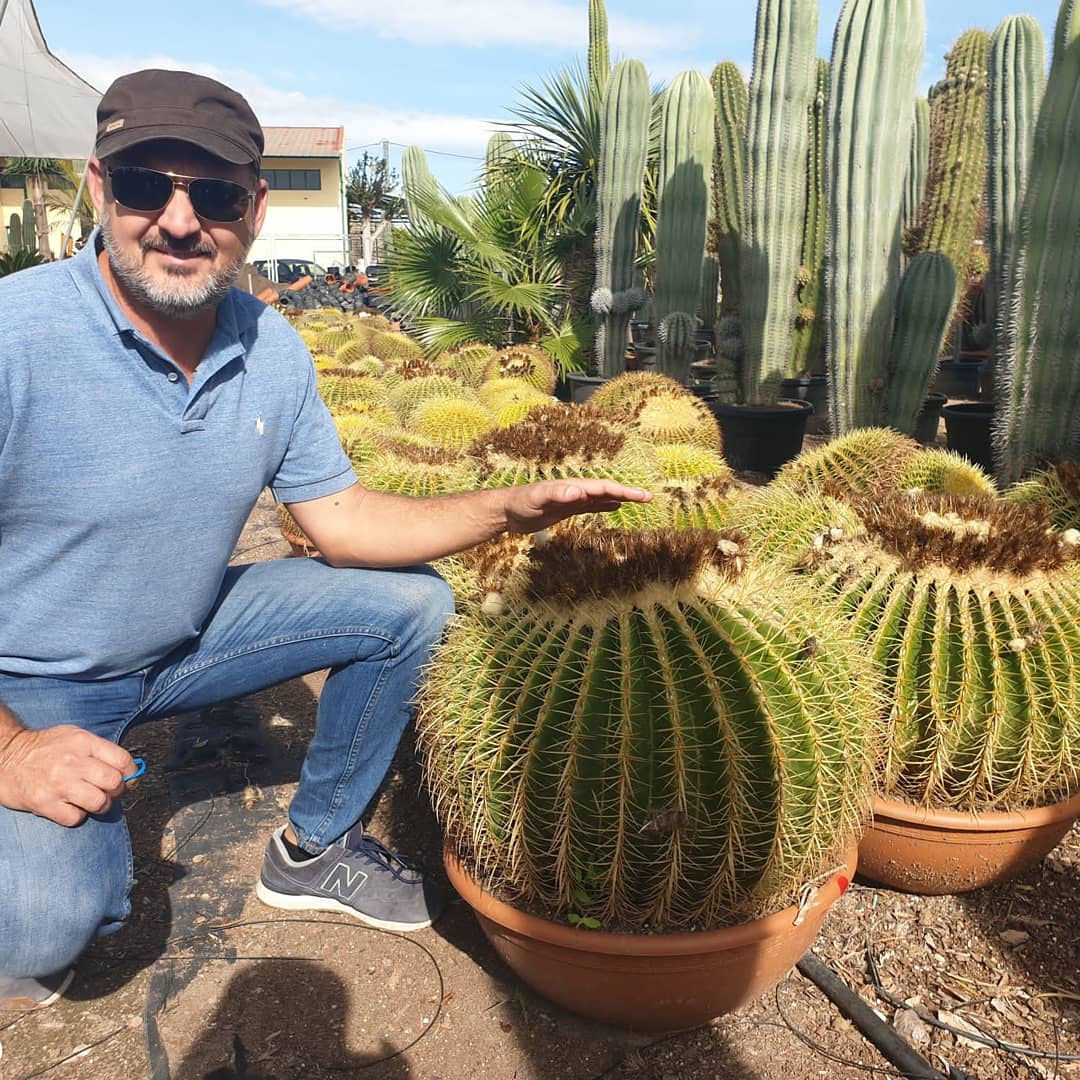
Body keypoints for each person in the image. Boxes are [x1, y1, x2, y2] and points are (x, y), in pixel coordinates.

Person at [0, 69, 650, 1009]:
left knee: (412, 601)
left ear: (256, 210)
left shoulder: (270, 346)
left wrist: (510, 506)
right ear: (99, 187)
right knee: (42, 933)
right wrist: (15, 754)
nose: (180, 222)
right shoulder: (16, 336)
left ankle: (314, 848)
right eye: (146, 186)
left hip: (184, 637)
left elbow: (343, 520)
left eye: (215, 196)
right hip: (28, 677)